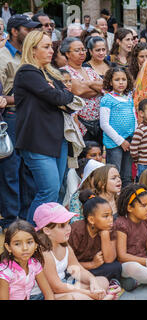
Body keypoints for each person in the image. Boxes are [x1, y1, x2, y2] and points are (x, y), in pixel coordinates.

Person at [14, 30, 75, 224]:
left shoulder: (50, 72)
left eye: (51, 46)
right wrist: (60, 94)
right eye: (46, 47)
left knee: (56, 191)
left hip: (58, 139)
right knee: (47, 190)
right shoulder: (26, 72)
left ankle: (48, 235)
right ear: (32, 50)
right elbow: (58, 97)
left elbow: (68, 97)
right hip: (37, 141)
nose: (51, 51)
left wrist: (60, 94)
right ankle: (29, 234)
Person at [0, 14, 40, 229]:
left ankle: (26, 218)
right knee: (11, 170)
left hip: (30, 117)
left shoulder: (29, 55)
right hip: (12, 117)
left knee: (28, 169)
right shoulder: (2, 56)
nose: (30, 32)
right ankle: (11, 220)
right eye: (27, 29)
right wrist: (28, 96)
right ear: (14, 32)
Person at [33, 202, 115, 299]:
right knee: (77, 296)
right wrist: (87, 293)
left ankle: (97, 296)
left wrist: (92, 281)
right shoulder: (44, 252)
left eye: (69, 223)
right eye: (62, 226)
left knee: (102, 281)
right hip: (44, 294)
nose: (68, 228)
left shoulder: (64, 244)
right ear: (47, 230)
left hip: (63, 285)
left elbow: (77, 269)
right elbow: (56, 287)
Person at [68, 190, 123, 284]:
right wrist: (91, 264)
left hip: (96, 269)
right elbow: (67, 264)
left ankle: (101, 283)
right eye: (105, 216)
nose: (111, 219)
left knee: (116, 267)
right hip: (77, 269)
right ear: (91, 219)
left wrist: (105, 235)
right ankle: (105, 283)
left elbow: (110, 260)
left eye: (111, 215)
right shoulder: (77, 230)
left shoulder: (109, 228)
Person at [60, 37, 104, 146]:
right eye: (77, 50)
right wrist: (95, 87)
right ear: (67, 54)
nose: (82, 53)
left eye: (83, 50)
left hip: (99, 121)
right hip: (80, 122)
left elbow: (104, 87)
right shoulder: (64, 71)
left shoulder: (89, 70)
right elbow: (78, 91)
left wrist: (86, 84)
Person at [100, 67, 137, 187]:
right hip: (114, 142)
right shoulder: (107, 99)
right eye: (117, 80)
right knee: (114, 174)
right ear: (110, 82)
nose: (121, 82)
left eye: (124, 79)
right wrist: (120, 141)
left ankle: (125, 199)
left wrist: (136, 136)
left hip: (129, 139)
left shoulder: (129, 98)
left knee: (127, 174)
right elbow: (104, 124)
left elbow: (134, 117)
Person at [0, 220, 55, 300]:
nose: (25, 248)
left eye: (29, 242)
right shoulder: (5, 272)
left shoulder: (34, 264)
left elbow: (49, 294)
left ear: (36, 245)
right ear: (8, 247)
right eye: (17, 244)